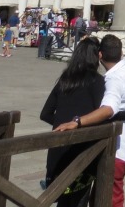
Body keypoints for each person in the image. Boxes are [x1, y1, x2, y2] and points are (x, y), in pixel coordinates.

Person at [54, 34, 125, 207]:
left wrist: (77, 121)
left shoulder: (113, 79)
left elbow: (108, 109)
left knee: (109, 198)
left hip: (116, 148)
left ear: (100, 55)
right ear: (121, 52)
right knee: (101, 195)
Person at [40, 37, 105, 206]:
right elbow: (101, 114)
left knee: (63, 200)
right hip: (82, 151)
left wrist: (62, 125)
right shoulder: (97, 81)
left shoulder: (65, 79)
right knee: (78, 200)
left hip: (58, 150)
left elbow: (45, 114)